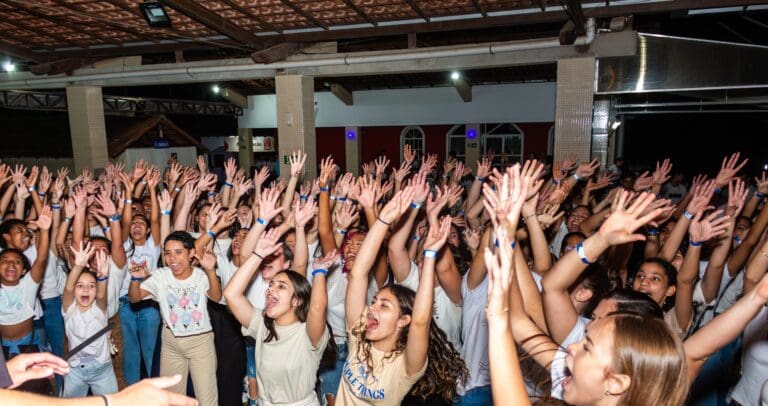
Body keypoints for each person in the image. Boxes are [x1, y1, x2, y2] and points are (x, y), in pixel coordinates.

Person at [337, 187, 467, 405]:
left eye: (384, 305)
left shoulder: (405, 366)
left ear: (403, 320)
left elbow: (420, 322)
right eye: (374, 301)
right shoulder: (358, 336)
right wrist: (382, 220)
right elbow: (358, 273)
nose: (372, 308)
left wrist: (430, 256)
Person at [224, 226, 333, 405]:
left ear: (296, 301)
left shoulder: (308, 334)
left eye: (281, 286)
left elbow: (317, 308)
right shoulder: (262, 325)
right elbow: (231, 294)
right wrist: (258, 255)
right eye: (271, 285)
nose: (271, 289)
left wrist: (319, 273)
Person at [128, 231, 221, 406]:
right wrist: (135, 280)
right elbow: (134, 298)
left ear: (191, 253)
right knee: (172, 399)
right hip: (171, 342)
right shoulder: (160, 276)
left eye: (178, 252)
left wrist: (210, 271)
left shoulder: (201, 276)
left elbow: (216, 297)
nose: (172, 258)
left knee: (206, 399)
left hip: (200, 342)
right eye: (168, 253)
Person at [60, 243, 117, 397]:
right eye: (80, 286)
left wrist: (102, 277)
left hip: (102, 369)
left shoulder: (99, 310)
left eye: (91, 286)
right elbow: (68, 288)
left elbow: (102, 295)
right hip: (75, 370)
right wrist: (78, 266)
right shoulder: (69, 309)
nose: (85, 289)